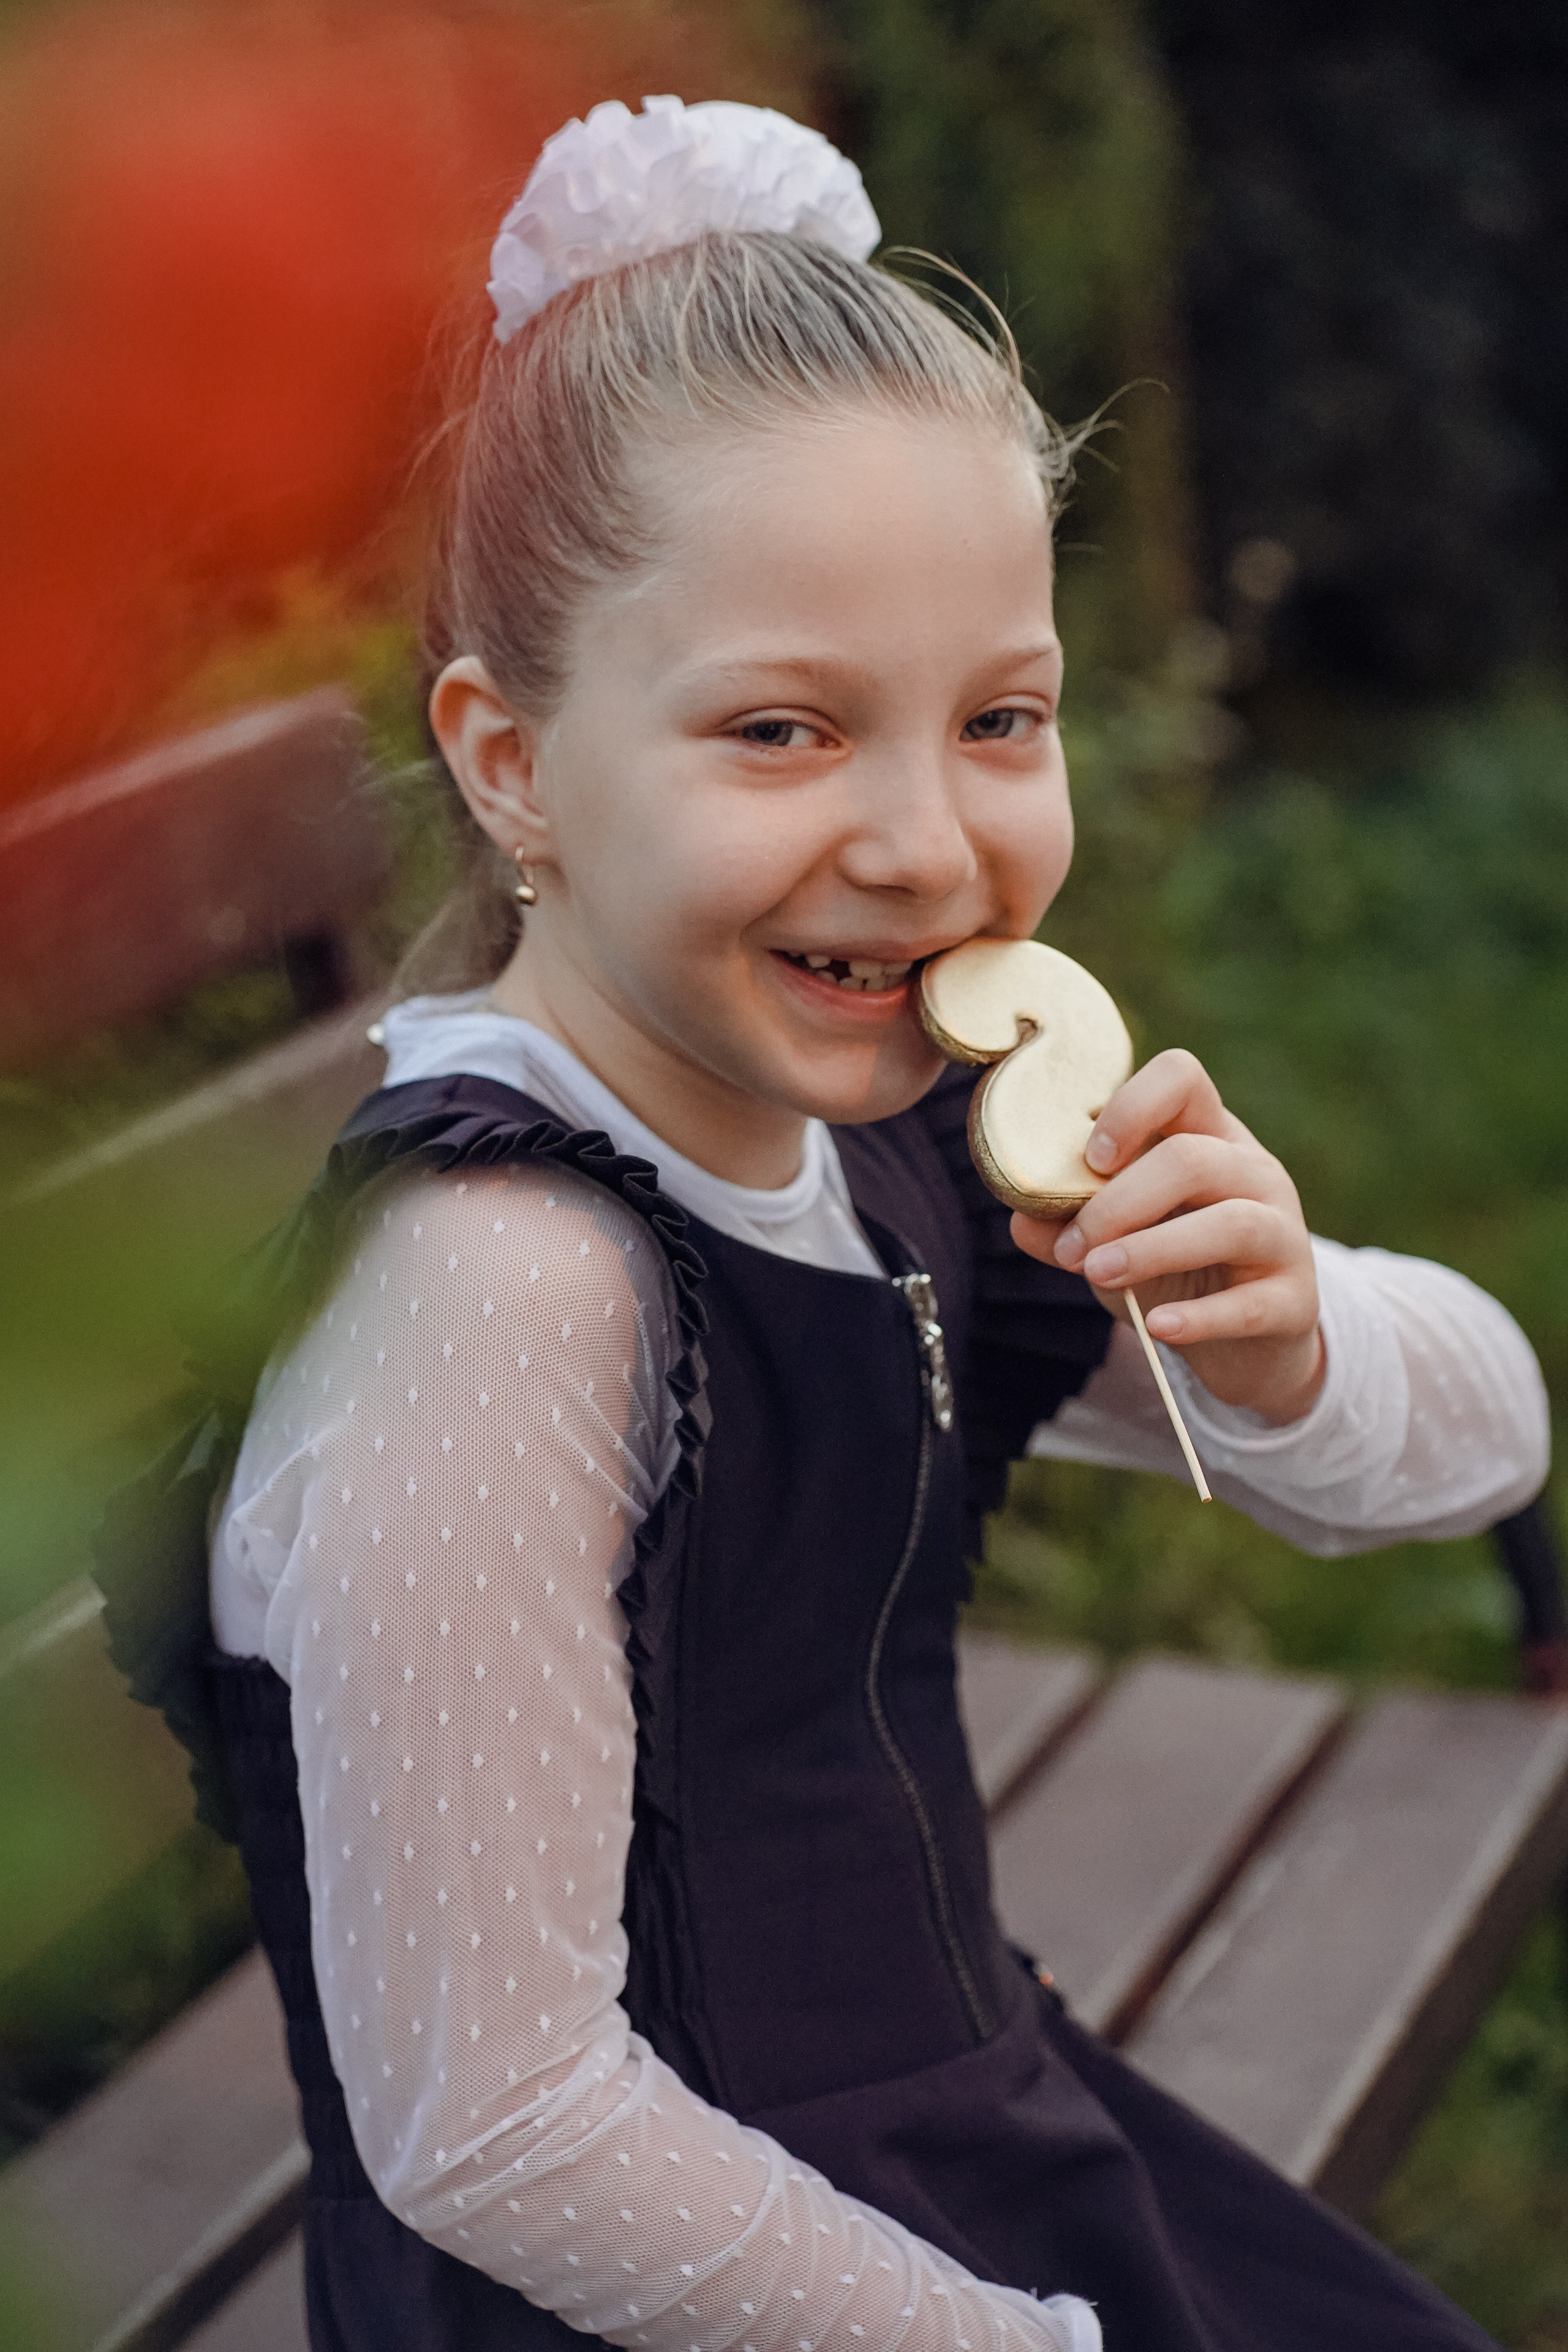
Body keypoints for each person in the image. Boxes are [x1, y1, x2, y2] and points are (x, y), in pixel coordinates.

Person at [187, 95, 1547, 2352]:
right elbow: (494, 2120)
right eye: (787, 733)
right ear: (512, 762)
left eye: (1000, 716)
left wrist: (1290, 1343)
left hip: (952, 2128)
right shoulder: (491, 1294)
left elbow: (1483, 1444)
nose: (929, 845)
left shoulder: (904, 1126)